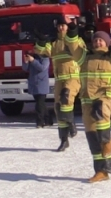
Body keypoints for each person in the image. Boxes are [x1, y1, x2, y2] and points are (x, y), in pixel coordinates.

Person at [65, 21, 111, 182]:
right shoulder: (84, 57)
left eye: (101, 40)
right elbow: (73, 46)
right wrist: (73, 31)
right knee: (91, 136)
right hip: (88, 100)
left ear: (107, 42)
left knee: (100, 110)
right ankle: (101, 171)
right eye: (95, 40)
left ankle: (107, 145)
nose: (97, 42)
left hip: (109, 95)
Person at [35, 20, 83, 151]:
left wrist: (72, 34)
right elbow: (41, 51)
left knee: (66, 98)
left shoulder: (76, 40)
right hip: (59, 79)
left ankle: (71, 123)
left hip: (73, 77)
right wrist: (41, 40)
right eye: (59, 26)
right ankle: (64, 140)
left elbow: (78, 50)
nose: (61, 28)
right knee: (58, 108)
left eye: (64, 25)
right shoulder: (54, 43)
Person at [22, 50, 51, 128]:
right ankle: (48, 120)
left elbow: (42, 68)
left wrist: (33, 61)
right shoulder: (33, 57)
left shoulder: (45, 58)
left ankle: (40, 122)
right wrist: (26, 62)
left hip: (42, 84)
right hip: (34, 84)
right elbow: (25, 69)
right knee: (41, 104)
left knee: (39, 104)